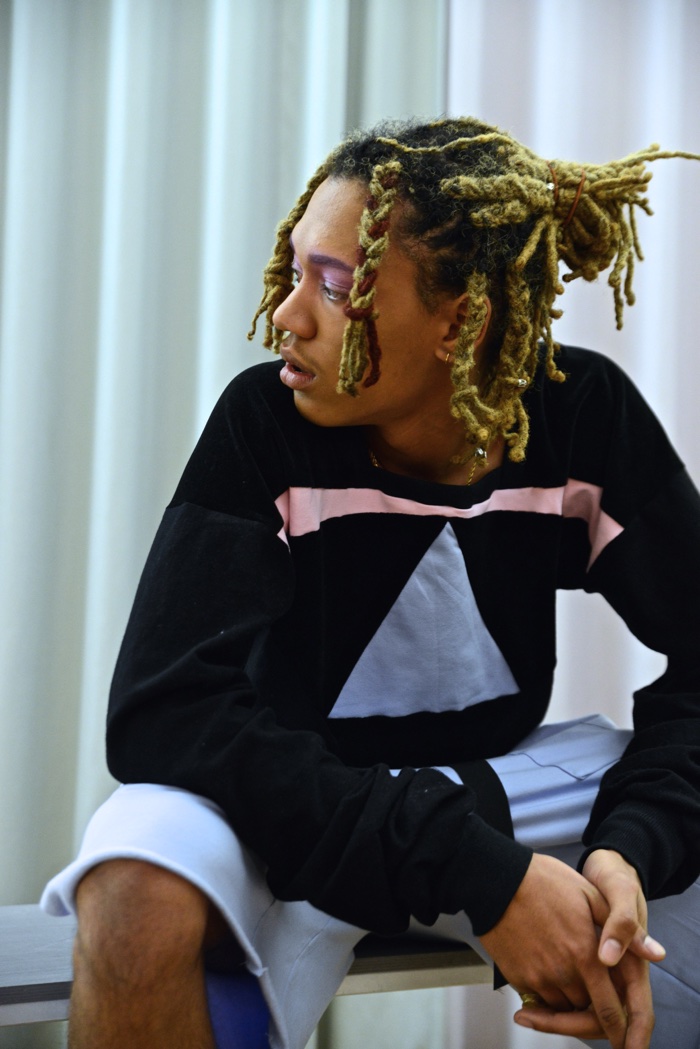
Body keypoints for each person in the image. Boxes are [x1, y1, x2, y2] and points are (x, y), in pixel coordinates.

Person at [42, 117, 700, 1049]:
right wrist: (481, 874)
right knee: (130, 891)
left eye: (334, 284)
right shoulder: (264, 425)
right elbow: (166, 709)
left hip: (498, 778)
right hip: (290, 798)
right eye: (294, 270)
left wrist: (631, 848)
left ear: (459, 321)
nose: (287, 315)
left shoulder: (580, 418)